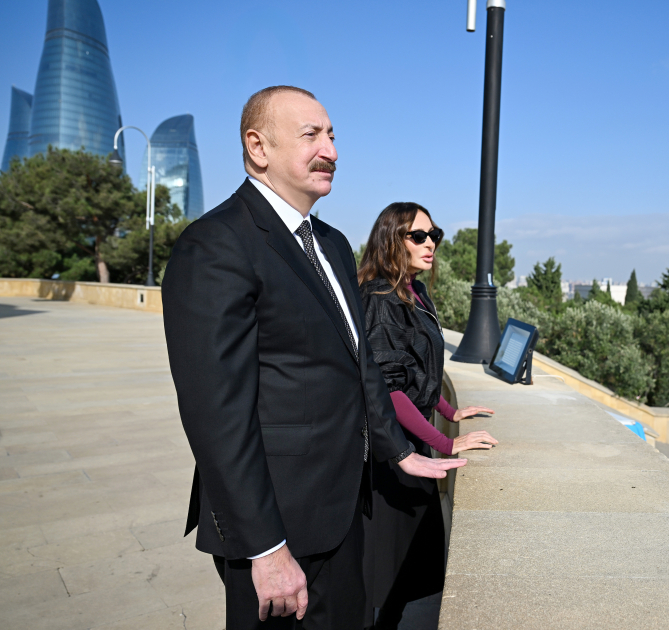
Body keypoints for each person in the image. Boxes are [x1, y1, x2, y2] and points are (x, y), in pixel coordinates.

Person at [161, 86, 466, 630]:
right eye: (311, 135)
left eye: (331, 135)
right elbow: (216, 415)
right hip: (280, 527)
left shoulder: (331, 244)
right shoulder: (215, 245)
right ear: (258, 147)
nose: (331, 149)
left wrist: (400, 453)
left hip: (345, 513)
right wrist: (264, 547)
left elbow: (360, 367)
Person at [357, 202, 497, 629]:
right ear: (390, 239)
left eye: (433, 234)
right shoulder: (382, 297)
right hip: (392, 452)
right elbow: (389, 388)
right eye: (417, 235)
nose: (430, 243)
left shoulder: (414, 291)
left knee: (407, 571)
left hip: (414, 442)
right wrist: (447, 442)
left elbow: (417, 369)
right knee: (384, 573)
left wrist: (452, 410)